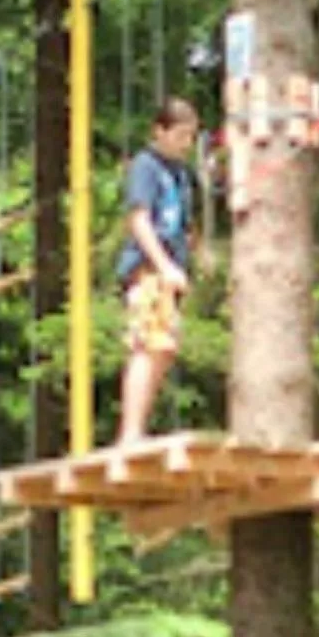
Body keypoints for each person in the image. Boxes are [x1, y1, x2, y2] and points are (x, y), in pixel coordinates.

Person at [116, 98, 199, 444]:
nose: (186, 144)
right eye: (180, 135)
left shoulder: (181, 174)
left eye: (191, 136)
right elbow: (139, 219)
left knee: (164, 348)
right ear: (159, 131)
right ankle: (131, 432)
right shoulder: (146, 167)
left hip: (170, 268)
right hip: (148, 267)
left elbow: (185, 225)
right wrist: (163, 266)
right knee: (147, 345)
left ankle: (139, 426)